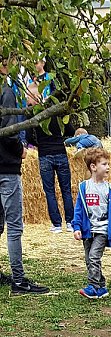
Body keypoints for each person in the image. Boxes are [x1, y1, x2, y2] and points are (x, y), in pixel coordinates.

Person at [0, 62, 48, 295]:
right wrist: (19, 148)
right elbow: (9, 129)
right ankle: (18, 280)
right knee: (14, 227)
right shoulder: (6, 91)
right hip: (6, 167)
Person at [72, 147, 111, 300]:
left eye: (108, 164)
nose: (108, 167)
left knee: (94, 257)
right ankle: (101, 287)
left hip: (102, 230)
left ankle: (93, 287)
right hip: (88, 230)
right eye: (104, 164)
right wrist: (76, 227)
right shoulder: (84, 187)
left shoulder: (110, 190)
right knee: (89, 259)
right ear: (93, 167)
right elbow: (79, 209)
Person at [26, 82, 75, 233]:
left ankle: (56, 224)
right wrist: (59, 138)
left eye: (29, 97)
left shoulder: (34, 114)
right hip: (60, 151)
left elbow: (28, 137)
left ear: (36, 97)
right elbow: (71, 130)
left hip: (45, 154)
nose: (27, 100)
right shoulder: (57, 111)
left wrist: (39, 143)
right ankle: (70, 222)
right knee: (66, 189)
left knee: (50, 191)